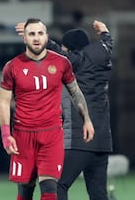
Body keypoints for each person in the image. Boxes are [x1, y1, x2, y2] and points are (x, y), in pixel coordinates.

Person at [0, 18, 94, 200]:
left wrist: (86, 119)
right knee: (25, 191)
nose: (36, 38)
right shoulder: (12, 67)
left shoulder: (61, 63)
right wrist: (5, 134)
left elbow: (75, 92)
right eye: (31, 34)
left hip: (52, 134)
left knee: (50, 187)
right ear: (25, 38)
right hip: (23, 134)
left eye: (40, 33)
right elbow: (3, 102)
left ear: (46, 37)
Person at [45, 20, 114, 200]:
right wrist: (105, 32)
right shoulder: (103, 55)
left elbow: (58, 54)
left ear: (71, 49)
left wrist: (41, 37)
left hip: (81, 138)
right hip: (103, 141)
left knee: (57, 184)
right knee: (98, 194)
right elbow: (108, 43)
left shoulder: (77, 62)